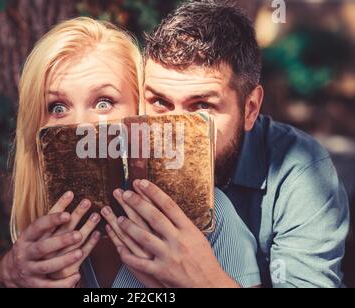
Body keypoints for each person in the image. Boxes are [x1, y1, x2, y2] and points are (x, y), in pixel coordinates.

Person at [0, 17, 260, 288]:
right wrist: (5, 274)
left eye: (104, 102)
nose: (81, 126)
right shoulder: (35, 242)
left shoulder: (212, 215)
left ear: (139, 113)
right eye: (58, 107)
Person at [103, 1, 349, 288]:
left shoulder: (301, 172)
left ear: (251, 109)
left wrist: (203, 280)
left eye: (202, 106)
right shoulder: (117, 154)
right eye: (160, 102)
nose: (175, 131)